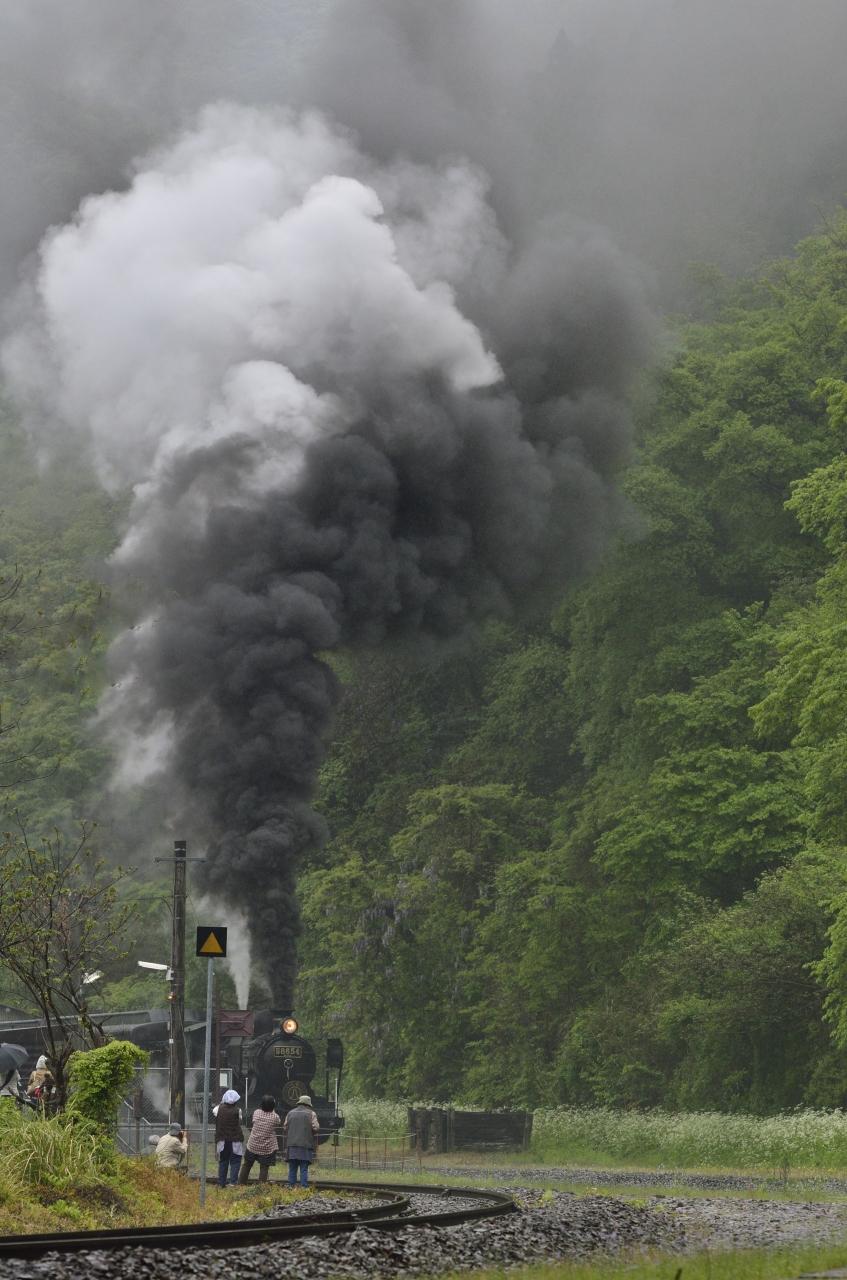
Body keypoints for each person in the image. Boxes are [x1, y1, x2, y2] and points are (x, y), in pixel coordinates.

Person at [238, 1094, 281, 1184]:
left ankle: (241, 1184)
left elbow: (254, 1120)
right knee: (264, 1167)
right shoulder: (275, 1117)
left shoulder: (257, 1112)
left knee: (247, 1165)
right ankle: (261, 1187)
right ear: (273, 1106)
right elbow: (278, 1122)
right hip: (266, 1148)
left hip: (253, 1145)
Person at [282, 1094, 320, 1188]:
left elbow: (285, 1127)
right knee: (304, 1168)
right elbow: (316, 1127)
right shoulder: (311, 1113)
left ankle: (291, 1186)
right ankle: (304, 1187)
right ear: (308, 1105)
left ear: (299, 1103)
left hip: (292, 1144)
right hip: (305, 1145)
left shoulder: (290, 1113)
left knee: (292, 1167)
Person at [213, 1089, 244, 1187]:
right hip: (235, 1139)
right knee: (235, 1161)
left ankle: (221, 1182)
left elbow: (216, 1116)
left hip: (222, 1139)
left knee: (223, 1160)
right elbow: (240, 1121)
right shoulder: (238, 1110)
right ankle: (233, 1182)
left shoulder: (217, 1109)